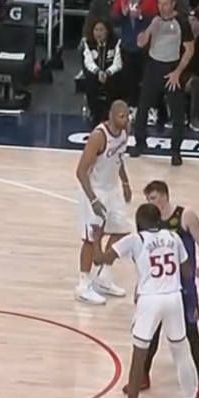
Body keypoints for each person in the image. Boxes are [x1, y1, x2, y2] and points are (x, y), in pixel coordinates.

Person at [93, 202, 199, 398]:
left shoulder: (136, 240)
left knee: (139, 356)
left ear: (139, 222)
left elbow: (100, 260)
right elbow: (187, 271)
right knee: (181, 355)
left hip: (150, 300)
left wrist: (97, 238)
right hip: (174, 298)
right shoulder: (174, 238)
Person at [138, 180, 199, 398]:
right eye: (148, 199)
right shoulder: (149, 222)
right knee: (151, 333)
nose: (151, 203)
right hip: (160, 287)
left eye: (153, 198)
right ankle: (143, 375)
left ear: (164, 195)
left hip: (185, 287)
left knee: (192, 334)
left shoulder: (185, 216)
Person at [74, 100, 133, 306]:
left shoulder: (125, 132)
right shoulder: (98, 136)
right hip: (94, 190)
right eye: (122, 116)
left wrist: (125, 182)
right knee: (90, 239)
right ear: (111, 116)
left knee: (122, 230)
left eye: (127, 115)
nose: (125, 120)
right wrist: (93, 200)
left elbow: (119, 158)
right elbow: (80, 171)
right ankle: (83, 285)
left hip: (112, 188)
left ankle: (103, 276)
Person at [134, 0, 195, 165]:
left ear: (173, 4)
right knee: (143, 106)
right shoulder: (153, 19)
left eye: (165, 4)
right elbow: (140, 43)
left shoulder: (182, 22)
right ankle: (140, 143)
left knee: (177, 112)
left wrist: (178, 72)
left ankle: (175, 151)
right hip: (153, 65)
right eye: (159, 4)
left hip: (172, 66)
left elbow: (190, 49)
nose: (162, 7)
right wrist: (150, 29)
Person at [80, 18, 123, 124]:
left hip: (111, 73)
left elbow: (118, 63)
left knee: (117, 80)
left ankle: (109, 112)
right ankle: (95, 113)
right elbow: (88, 61)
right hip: (95, 73)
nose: (98, 33)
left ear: (107, 31)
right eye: (96, 30)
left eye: (101, 30)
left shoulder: (116, 43)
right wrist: (98, 72)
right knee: (90, 79)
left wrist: (107, 73)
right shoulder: (88, 43)